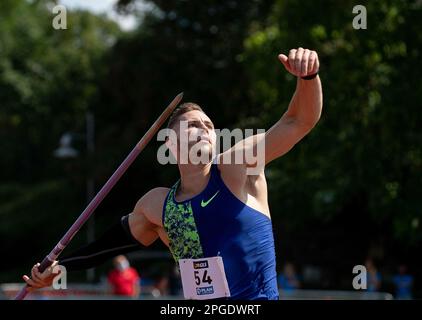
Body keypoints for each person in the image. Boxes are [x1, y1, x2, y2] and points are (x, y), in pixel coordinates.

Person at [23, 47, 323, 300]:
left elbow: (297, 122)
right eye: (194, 125)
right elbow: (107, 246)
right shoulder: (157, 206)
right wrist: (60, 268)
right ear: (169, 142)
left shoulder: (236, 167)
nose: (205, 130)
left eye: (208, 126)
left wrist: (308, 77)